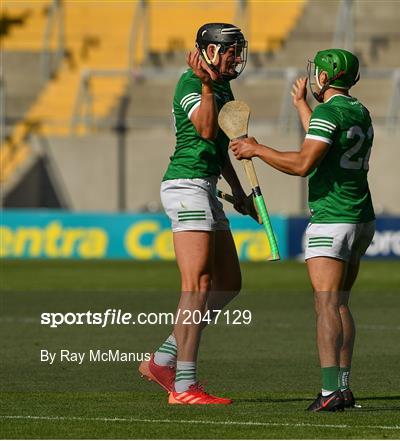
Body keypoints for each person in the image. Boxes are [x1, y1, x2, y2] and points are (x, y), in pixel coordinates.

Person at [230, 49, 376, 412]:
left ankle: (329, 393)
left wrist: (257, 149)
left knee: (326, 304)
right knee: (340, 303)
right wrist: (299, 105)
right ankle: (342, 387)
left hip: (332, 218)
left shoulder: (328, 113)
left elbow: (303, 163)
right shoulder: (359, 111)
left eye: (317, 74)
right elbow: (323, 140)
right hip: (361, 219)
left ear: (325, 78)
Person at [139, 23, 249, 405]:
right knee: (198, 286)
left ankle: (163, 358)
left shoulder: (222, 86)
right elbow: (203, 131)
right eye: (230, 50)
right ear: (209, 51)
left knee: (228, 284)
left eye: (238, 50)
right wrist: (204, 84)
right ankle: (184, 386)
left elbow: (218, 147)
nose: (236, 57)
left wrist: (238, 191)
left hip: (206, 187)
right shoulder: (191, 83)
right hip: (186, 186)